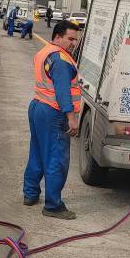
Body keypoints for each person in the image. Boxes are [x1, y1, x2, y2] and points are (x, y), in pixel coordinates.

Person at [23, 20, 82, 219]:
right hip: (54, 112)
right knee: (57, 159)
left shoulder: (45, 52)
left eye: (76, 40)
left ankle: (30, 194)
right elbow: (63, 93)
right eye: (70, 39)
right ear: (57, 37)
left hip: (38, 106)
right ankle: (53, 206)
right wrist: (72, 119)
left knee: (38, 153)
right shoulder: (62, 61)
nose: (73, 43)